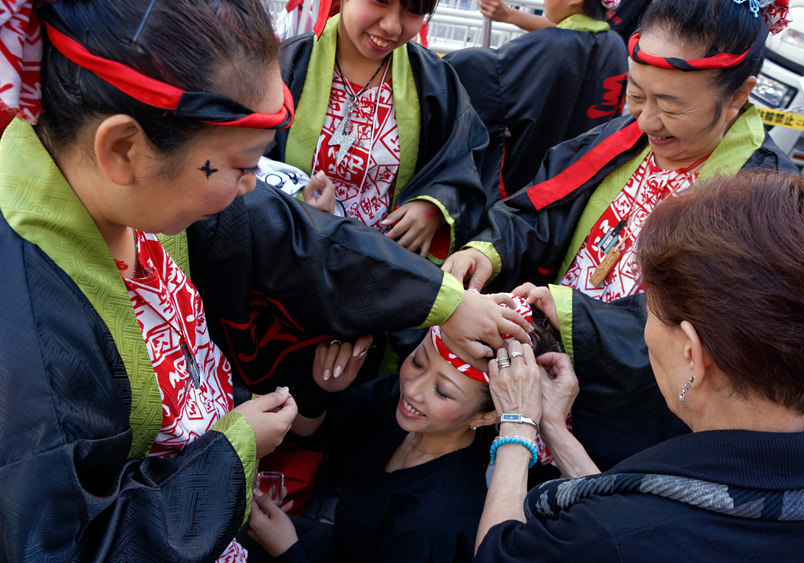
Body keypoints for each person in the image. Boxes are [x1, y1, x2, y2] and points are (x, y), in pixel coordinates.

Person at [0, 1, 531, 561]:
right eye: (242, 164)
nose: (255, 187)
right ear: (123, 149)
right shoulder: (29, 334)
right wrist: (232, 451)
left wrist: (442, 301)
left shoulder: (143, 191)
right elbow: (70, 546)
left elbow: (293, 236)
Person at [443, 0, 797, 468]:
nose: (647, 120)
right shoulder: (622, 139)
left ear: (738, 95)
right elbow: (545, 208)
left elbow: (707, 333)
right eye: (636, 94)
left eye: (670, 105)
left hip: (629, 422)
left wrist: (566, 314)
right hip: (538, 374)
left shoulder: (766, 200)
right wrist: (489, 250)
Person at [473, 171, 804, 562]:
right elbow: (636, 506)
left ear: (691, 352)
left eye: (645, 309)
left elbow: (501, 553)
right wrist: (551, 425)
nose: (644, 328)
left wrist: (516, 425)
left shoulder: (611, 537)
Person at [243, 297, 562, 562]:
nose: (413, 389)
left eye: (443, 391)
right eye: (419, 362)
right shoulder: (398, 404)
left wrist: (287, 550)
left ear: (488, 415)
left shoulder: (436, 526)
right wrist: (323, 388)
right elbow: (312, 430)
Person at [267, 0, 495, 261]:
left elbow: (465, 161)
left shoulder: (436, 82)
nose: (391, 26)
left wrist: (434, 207)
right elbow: (244, 162)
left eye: (413, 10)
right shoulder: (284, 65)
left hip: (384, 269)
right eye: (379, 1)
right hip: (291, 258)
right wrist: (295, 199)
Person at [445, 0, 627, 197]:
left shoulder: (549, 46)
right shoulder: (615, 45)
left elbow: (488, 73)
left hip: (529, 185)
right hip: (581, 186)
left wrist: (436, 67)